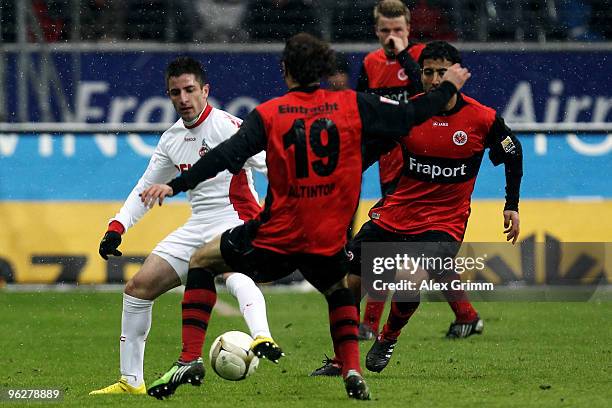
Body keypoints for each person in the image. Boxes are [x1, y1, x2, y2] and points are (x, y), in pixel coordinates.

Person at [139, 33, 470, 400]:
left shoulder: (269, 113)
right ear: (325, 69)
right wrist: (447, 89)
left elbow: (225, 155)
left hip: (276, 236)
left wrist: (178, 183)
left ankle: (188, 358)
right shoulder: (352, 105)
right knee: (338, 291)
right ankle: (352, 369)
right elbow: (410, 115)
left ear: (286, 72)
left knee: (203, 259)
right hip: (326, 237)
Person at [310, 40, 522, 377]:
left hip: (444, 222)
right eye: (428, 72)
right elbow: (371, 150)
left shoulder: (482, 118)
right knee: (348, 281)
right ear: (420, 75)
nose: (435, 79)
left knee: (409, 277)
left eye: (442, 72)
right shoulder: (409, 113)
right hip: (397, 213)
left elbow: (512, 152)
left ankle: (388, 335)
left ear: (458, 74)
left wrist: (511, 205)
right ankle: (341, 359)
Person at [89, 56, 281, 395]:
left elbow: (273, 166)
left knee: (231, 274)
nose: (184, 98)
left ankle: (262, 335)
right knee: (137, 289)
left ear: (205, 90)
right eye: (176, 92)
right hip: (197, 226)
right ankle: (130, 382)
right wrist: (117, 226)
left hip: (236, 219)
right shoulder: (171, 139)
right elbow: (144, 189)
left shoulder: (229, 126)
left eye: (190, 90)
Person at [356, 0, 427, 341]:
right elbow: (359, 105)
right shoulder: (370, 63)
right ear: (376, 31)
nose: (391, 37)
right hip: (388, 159)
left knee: (393, 243)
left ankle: (369, 324)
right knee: (396, 243)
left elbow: (427, 95)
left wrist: (403, 56)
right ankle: (467, 316)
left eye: (397, 30)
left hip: (422, 158)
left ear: (409, 30)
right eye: (385, 31)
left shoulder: (423, 59)